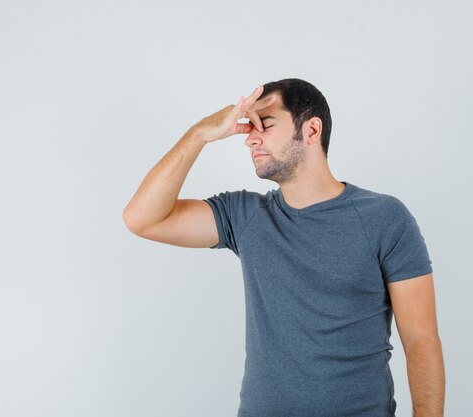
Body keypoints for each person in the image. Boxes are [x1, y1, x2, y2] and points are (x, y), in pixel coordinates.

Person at [122, 78, 445, 417]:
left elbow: (421, 339)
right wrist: (200, 133)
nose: (250, 137)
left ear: (311, 130)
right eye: (250, 125)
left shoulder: (384, 217)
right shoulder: (245, 216)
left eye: (266, 123)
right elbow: (142, 219)